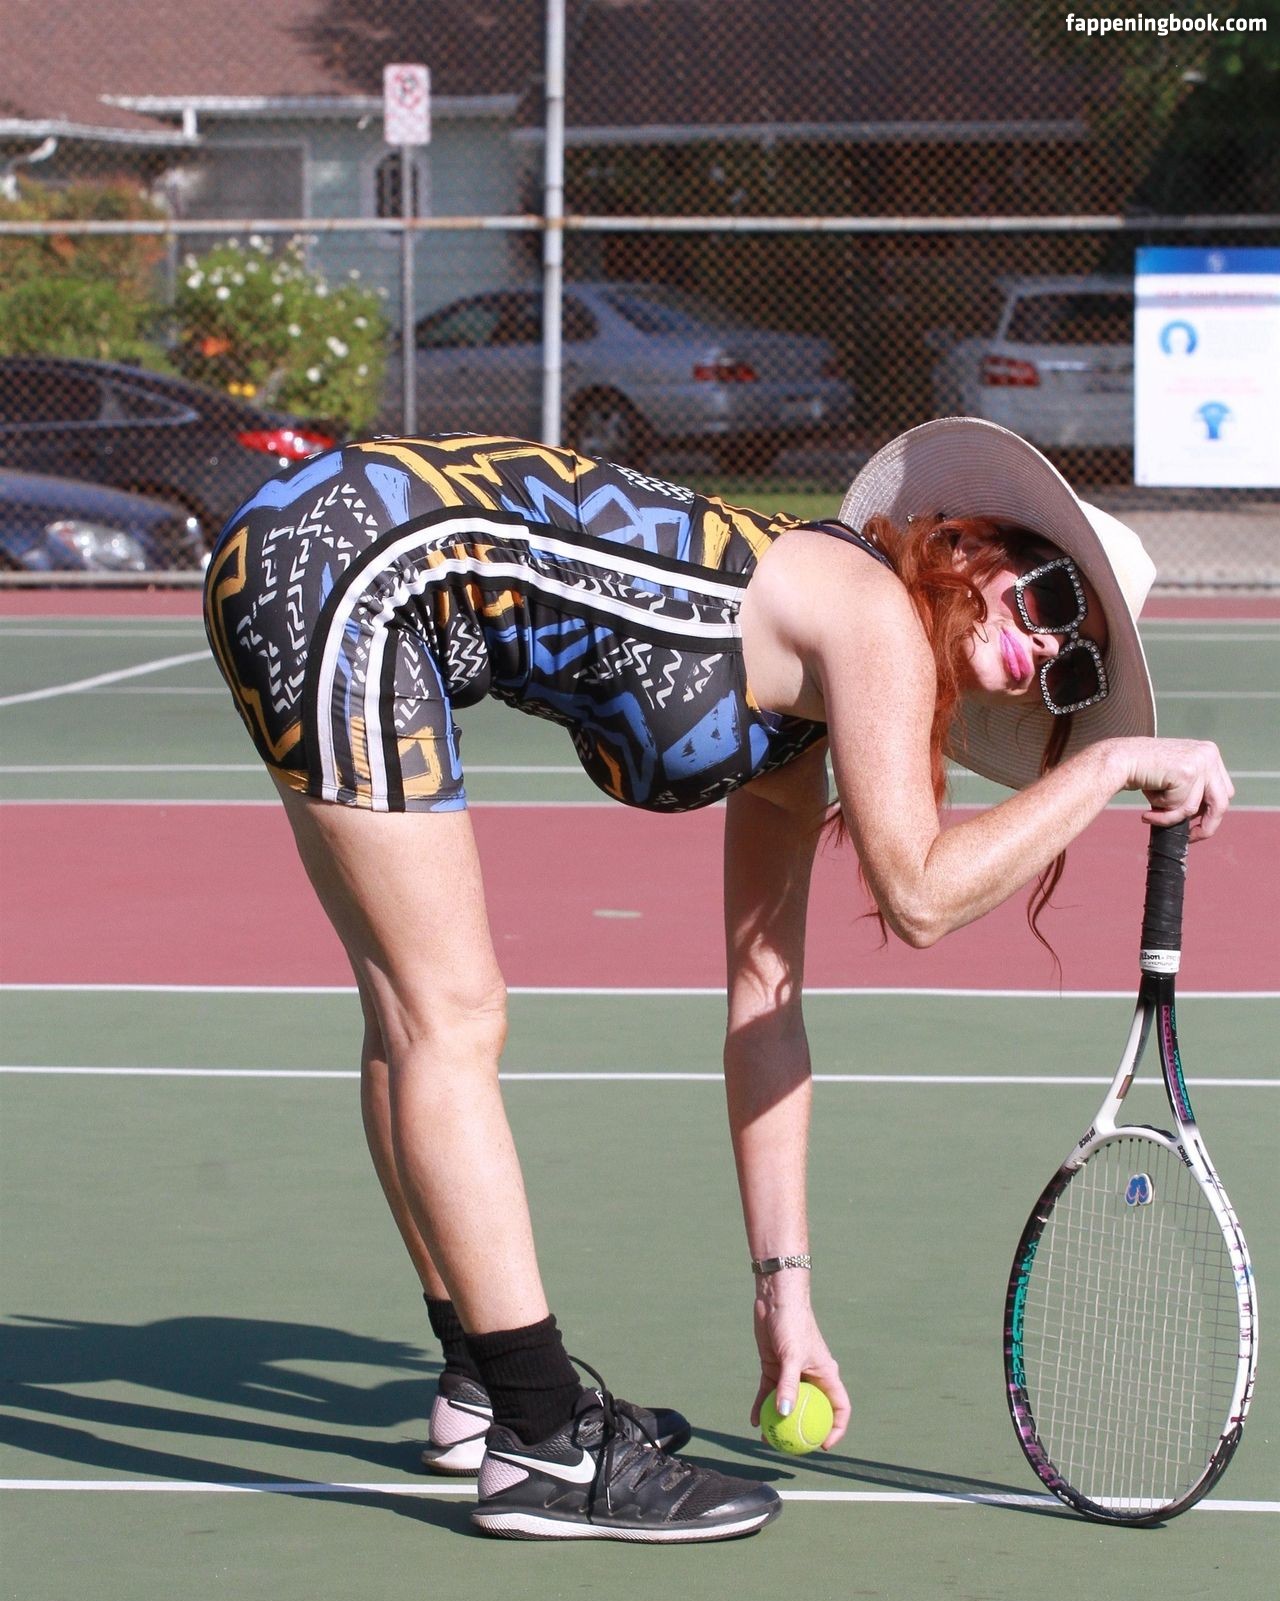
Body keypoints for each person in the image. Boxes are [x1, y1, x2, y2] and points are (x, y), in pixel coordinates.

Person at [202, 416, 1233, 1544]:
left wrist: (783, 1298)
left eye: (1076, 661)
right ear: (975, 547)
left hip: (330, 559)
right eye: (1050, 597)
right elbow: (922, 897)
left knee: (412, 1017)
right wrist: (1112, 762)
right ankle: (545, 1441)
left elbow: (765, 1010)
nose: (1048, 645)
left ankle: (483, 1386)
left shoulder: (807, 720)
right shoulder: (873, 616)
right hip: (351, 556)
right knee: (449, 1016)